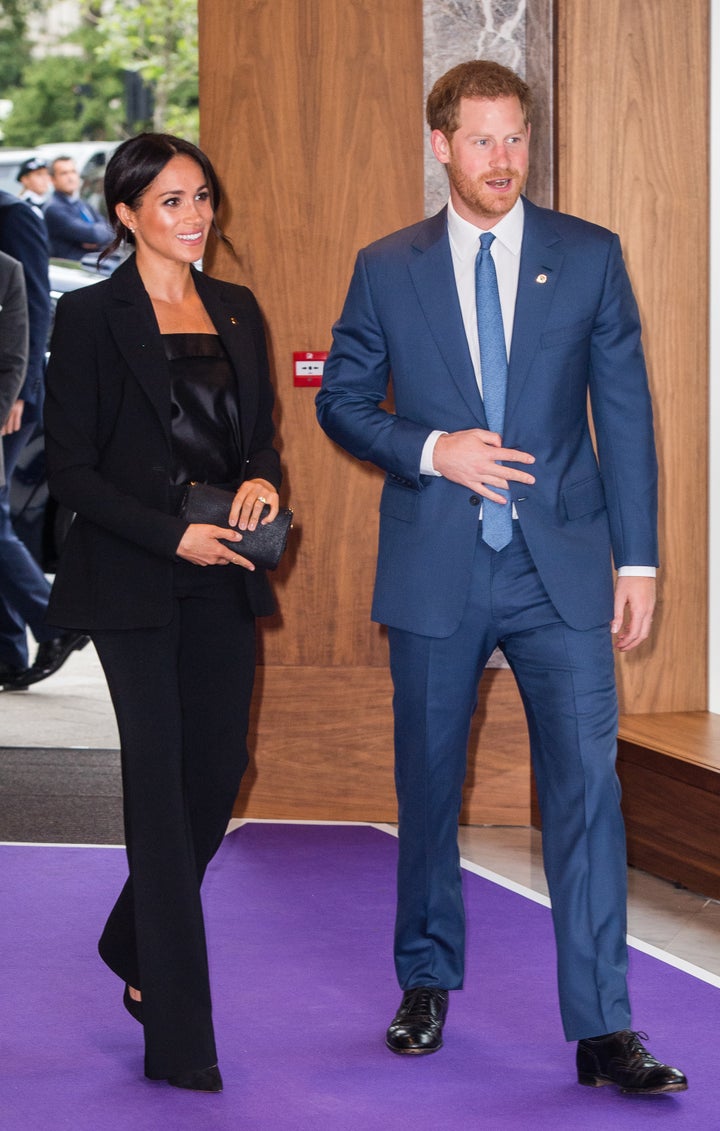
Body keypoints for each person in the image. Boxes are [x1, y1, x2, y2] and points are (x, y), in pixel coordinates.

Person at [316, 60, 687, 1095]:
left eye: (516, 137)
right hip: (438, 565)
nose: (503, 160)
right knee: (429, 787)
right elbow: (342, 401)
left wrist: (640, 560)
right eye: (481, 140)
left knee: (586, 795)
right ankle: (426, 980)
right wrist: (436, 450)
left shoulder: (590, 256)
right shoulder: (388, 266)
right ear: (441, 146)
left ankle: (605, 1027)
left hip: (561, 572)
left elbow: (625, 416)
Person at [43, 132, 282, 1091]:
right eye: (172, 202)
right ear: (127, 216)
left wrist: (261, 480)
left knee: (218, 771)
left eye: (202, 197)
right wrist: (165, 533)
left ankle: (126, 934)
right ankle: (178, 1033)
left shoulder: (238, 308)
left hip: (224, 567)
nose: (194, 217)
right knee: (158, 787)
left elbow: (257, 439)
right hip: (135, 578)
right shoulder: (91, 316)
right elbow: (70, 474)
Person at [0, 190, 88, 690]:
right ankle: (10, 652)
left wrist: (17, 394)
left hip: (11, 396)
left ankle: (55, 622)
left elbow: (31, 305)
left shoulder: (14, 215)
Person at [44, 155, 113, 260]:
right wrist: (96, 236)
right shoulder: (54, 208)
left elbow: (111, 229)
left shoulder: (82, 204)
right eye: (64, 173)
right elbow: (94, 235)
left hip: (93, 264)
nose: (70, 177)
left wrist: (98, 238)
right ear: (53, 180)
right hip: (71, 268)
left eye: (73, 172)